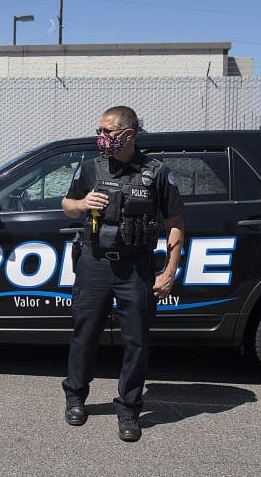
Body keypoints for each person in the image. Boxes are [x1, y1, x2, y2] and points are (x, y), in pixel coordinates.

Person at [61, 105, 184, 442]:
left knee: (136, 341)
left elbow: (175, 224)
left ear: (128, 134)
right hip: (95, 263)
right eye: (99, 131)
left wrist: (170, 269)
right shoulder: (90, 168)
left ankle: (129, 410)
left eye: (107, 132)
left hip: (136, 267)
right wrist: (84, 204)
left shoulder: (156, 173)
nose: (100, 137)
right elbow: (67, 205)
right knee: (84, 334)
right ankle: (75, 397)